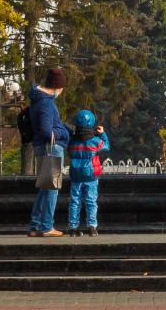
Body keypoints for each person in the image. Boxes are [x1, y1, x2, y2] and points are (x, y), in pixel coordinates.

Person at [27, 68, 70, 238]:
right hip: (50, 147)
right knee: (52, 188)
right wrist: (63, 133)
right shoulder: (46, 102)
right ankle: (46, 226)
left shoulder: (38, 100)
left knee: (45, 188)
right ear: (57, 87)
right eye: (61, 88)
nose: (61, 91)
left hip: (43, 147)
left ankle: (36, 225)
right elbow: (46, 130)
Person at [65, 109, 109, 236]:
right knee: (90, 200)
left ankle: (73, 227)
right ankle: (92, 227)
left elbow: (69, 150)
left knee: (75, 201)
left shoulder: (73, 141)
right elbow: (106, 146)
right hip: (91, 173)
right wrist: (102, 134)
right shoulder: (95, 141)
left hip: (76, 174)